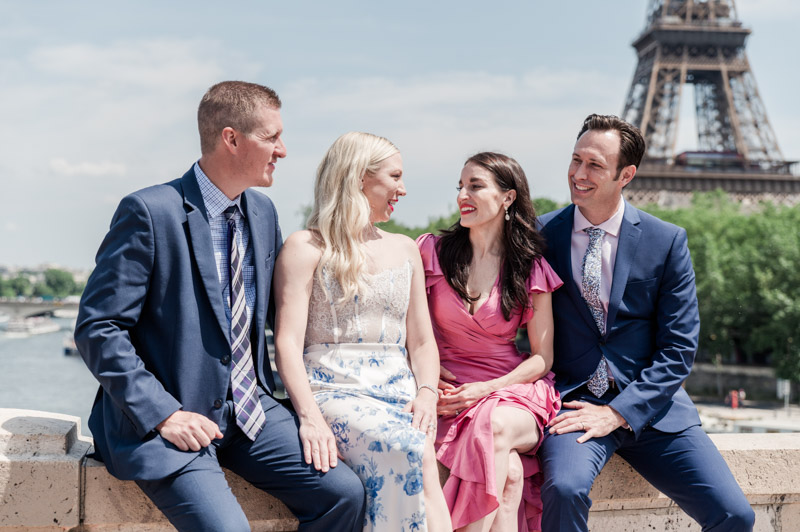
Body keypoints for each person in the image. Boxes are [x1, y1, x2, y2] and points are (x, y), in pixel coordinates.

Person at [74, 81, 365, 531]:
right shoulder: (150, 212)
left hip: (252, 412)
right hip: (172, 418)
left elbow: (284, 320)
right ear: (231, 139)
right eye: (271, 137)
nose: (283, 150)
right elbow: (99, 327)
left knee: (343, 495)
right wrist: (164, 414)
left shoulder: (264, 213)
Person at [537, 113, 754, 531]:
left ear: (626, 174)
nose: (578, 174)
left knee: (736, 515)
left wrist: (618, 413)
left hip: (654, 410)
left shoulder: (666, 240)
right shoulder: (541, 235)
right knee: (564, 490)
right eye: (575, 159)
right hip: (573, 405)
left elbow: (678, 350)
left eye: (595, 165)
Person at [272, 132, 452, 532]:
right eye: (395, 177)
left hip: (401, 393)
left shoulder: (406, 248)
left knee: (420, 451)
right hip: (334, 392)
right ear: (358, 178)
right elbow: (286, 342)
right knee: (411, 449)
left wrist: (426, 392)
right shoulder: (305, 247)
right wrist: (309, 417)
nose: (403, 189)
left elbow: (422, 341)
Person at [416, 152, 563, 531]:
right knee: (510, 474)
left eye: (475, 186)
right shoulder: (429, 252)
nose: (463, 194)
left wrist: (488, 388)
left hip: (510, 390)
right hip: (448, 389)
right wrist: (426, 371)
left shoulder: (530, 267)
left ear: (508, 198)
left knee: (492, 425)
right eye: (460, 186)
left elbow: (542, 358)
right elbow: (405, 329)